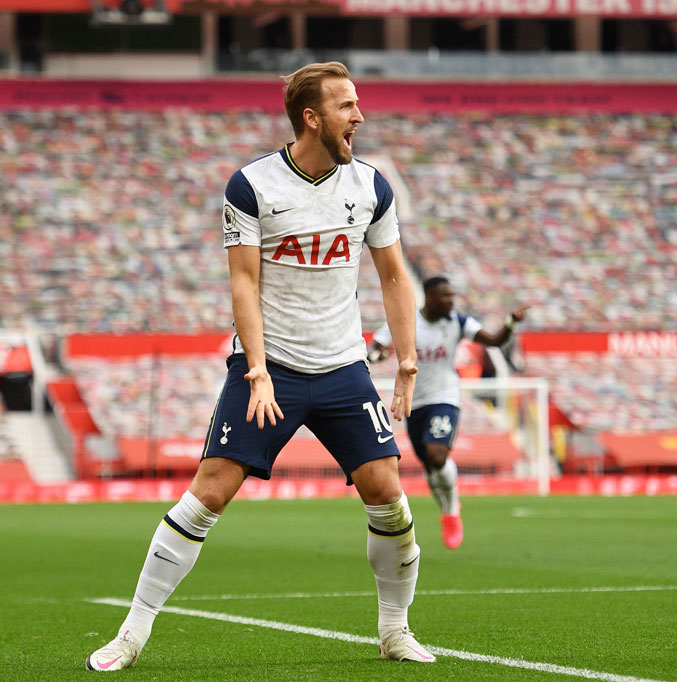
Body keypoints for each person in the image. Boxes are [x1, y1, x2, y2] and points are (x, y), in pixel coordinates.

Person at [87, 62, 436, 671]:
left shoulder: (372, 187)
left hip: (343, 368)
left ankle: (395, 631)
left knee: (388, 493)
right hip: (269, 368)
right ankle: (131, 634)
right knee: (210, 492)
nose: (359, 116)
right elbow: (243, 284)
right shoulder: (251, 185)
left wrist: (406, 362)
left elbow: (393, 277)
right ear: (312, 117)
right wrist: (257, 369)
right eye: (347, 106)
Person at [369, 276, 528, 549]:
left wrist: (511, 322)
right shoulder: (406, 319)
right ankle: (445, 509)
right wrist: (376, 356)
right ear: (429, 297)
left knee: (437, 455)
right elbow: (376, 348)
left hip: (445, 398)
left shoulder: (458, 322)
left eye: (452, 295)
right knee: (431, 468)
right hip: (414, 402)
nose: (451, 301)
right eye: (445, 295)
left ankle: (452, 507)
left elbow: (493, 340)